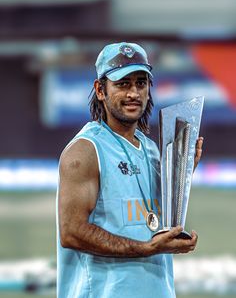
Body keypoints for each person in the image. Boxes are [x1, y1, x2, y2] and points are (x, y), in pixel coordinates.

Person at [57, 42, 203, 298]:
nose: (134, 93)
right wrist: (146, 248)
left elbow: (150, 220)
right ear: (100, 90)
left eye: (140, 83)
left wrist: (181, 178)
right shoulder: (85, 151)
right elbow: (72, 232)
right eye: (123, 84)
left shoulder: (151, 150)